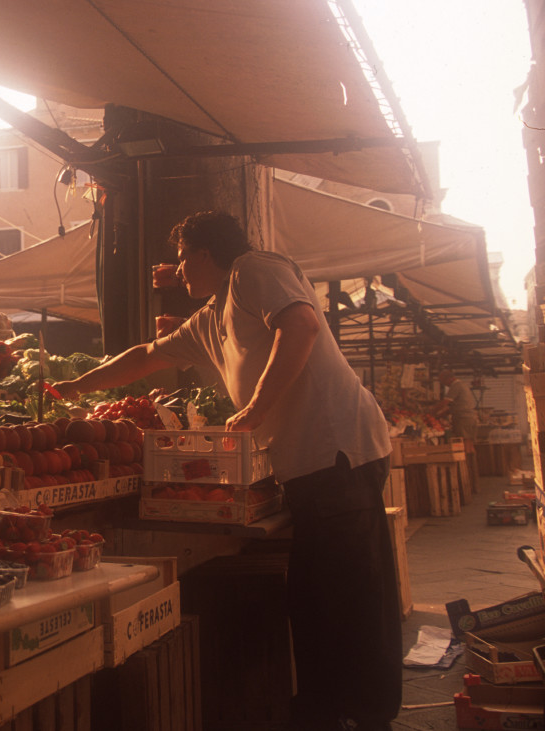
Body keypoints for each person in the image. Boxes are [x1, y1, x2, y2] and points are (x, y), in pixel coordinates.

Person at [54, 211, 400, 731]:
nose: (177, 270)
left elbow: (301, 324)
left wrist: (256, 409)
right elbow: (145, 356)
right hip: (308, 467)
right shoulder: (212, 317)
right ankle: (328, 709)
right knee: (313, 596)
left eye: (182, 258)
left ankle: (365, 714)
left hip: (339, 453)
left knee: (351, 592)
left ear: (205, 253)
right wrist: (76, 389)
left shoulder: (253, 270)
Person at [434, 368, 478, 448]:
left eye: (443, 381)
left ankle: (467, 459)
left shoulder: (456, 386)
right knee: (469, 443)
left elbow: (445, 402)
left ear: (447, 378)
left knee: (465, 442)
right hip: (469, 418)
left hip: (463, 419)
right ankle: (470, 459)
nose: (443, 384)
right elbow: (454, 406)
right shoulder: (462, 384)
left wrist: (432, 412)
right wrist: (440, 415)